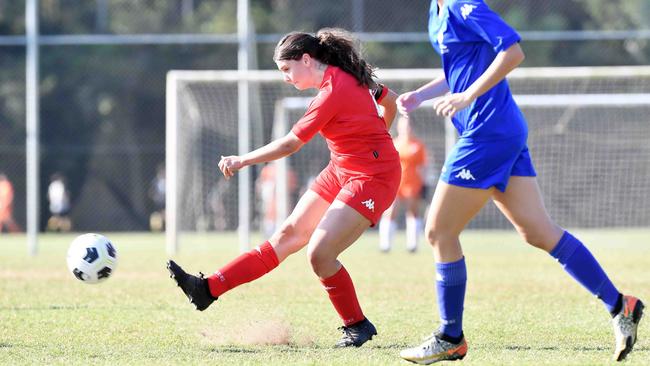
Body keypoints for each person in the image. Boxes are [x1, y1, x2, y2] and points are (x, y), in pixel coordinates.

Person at [397, 1, 644, 364]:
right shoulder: (436, 11)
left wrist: (469, 95)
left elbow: (512, 51)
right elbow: (464, 68)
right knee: (538, 232)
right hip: (500, 131)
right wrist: (422, 94)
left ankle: (451, 337)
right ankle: (620, 305)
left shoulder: (461, 4)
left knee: (439, 233)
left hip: (487, 134)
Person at [167, 28, 400, 348]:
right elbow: (391, 102)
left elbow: (291, 144)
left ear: (307, 59)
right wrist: (374, 136)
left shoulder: (334, 89)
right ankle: (207, 289)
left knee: (320, 253)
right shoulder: (344, 78)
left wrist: (242, 160)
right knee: (287, 236)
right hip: (341, 169)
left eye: (287, 70)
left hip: (373, 176)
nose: (285, 78)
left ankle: (357, 325)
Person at [379, 116, 427, 253]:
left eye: (408, 125)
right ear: (399, 127)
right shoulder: (393, 143)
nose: (406, 128)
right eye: (403, 125)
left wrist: (424, 183)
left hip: (413, 183)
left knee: (413, 212)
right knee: (390, 211)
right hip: (395, 182)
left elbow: (424, 166)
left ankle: (412, 245)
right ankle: (385, 245)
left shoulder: (418, 145)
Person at [255, 162, 298, 237]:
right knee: (269, 232)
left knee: (283, 233)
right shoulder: (267, 170)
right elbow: (259, 185)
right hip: (269, 207)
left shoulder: (288, 170)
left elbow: (293, 188)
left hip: (284, 205)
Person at [149, 164, 166, 232]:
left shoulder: (170, 181)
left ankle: (165, 229)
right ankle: (158, 229)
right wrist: (154, 197)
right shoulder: (155, 181)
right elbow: (151, 192)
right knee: (157, 217)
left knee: (165, 215)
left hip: (166, 202)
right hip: (158, 202)